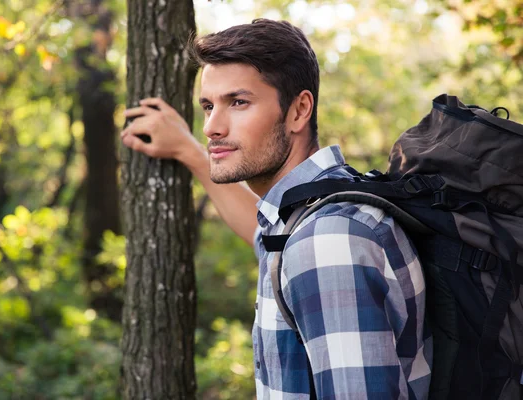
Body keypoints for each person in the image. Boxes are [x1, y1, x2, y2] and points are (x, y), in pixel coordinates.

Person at [121, 19, 432, 400]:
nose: (211, 128)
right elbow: (262, 234)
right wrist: (189, 152)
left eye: (238, 102)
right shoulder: (312, 215)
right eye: (207, 106)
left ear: (299, 110)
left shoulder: (327, 241)